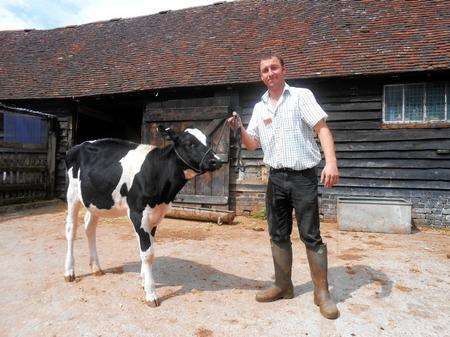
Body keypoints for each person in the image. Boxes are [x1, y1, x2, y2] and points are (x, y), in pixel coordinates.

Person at [228, 54, 340, 319]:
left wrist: (331, 163)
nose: (270, 73)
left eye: (274, 68)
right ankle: (282, 285)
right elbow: (252, 144)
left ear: (283, 70)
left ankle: (321, 293)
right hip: (275, 178)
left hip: (303, 177)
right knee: (277, 234)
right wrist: (240, 129)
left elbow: (322, 129)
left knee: (311, 235)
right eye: (265, 70)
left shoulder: (301, 96)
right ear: (262, 76)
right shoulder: (260, 107)